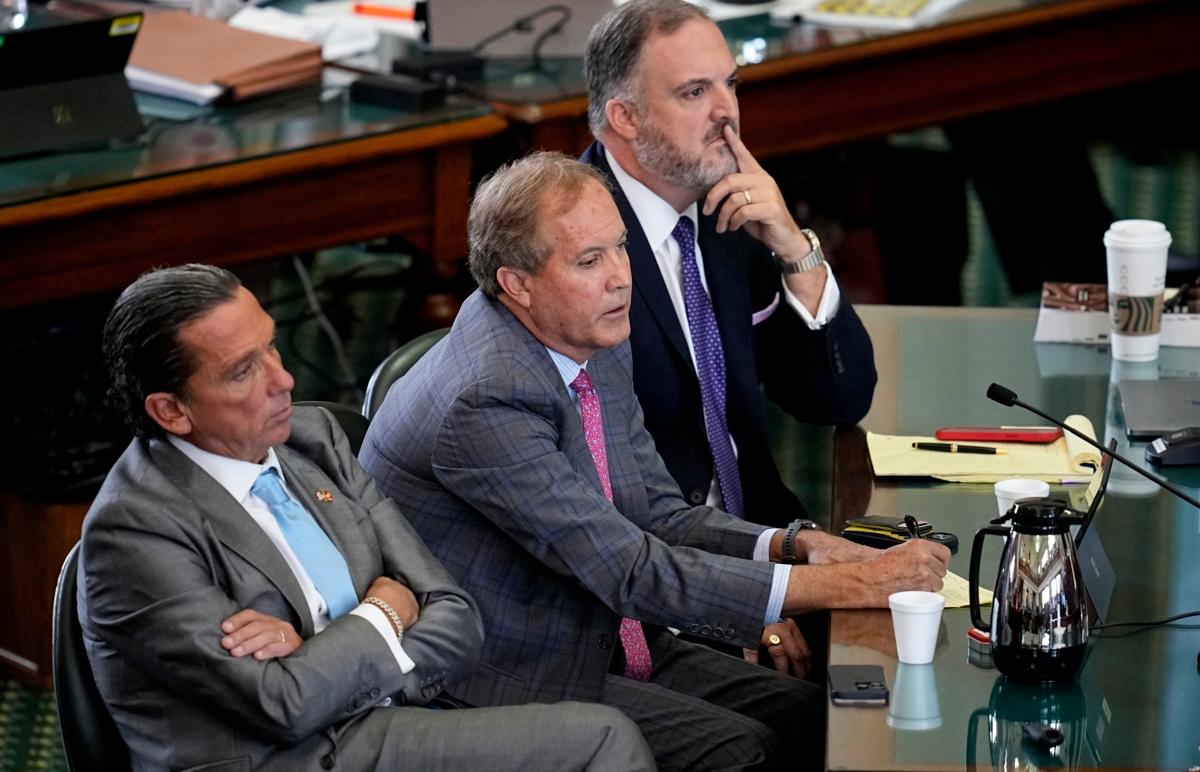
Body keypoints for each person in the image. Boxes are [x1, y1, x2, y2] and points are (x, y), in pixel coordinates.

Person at [359, 153, 949, 771]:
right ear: (517, 283)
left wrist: (797, 547)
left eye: (620, 247)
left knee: (810, 716)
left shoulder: (589, 333)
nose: (621, 277)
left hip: (597, 631)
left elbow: (659, 512)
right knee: (743, 751)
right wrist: (851, 585)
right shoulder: (485, 399)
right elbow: (634, 572)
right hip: (498, 673)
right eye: (590, 261)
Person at [79, 264, 655, 772]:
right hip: (292, 758)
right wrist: (385, 611)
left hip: (385, 720)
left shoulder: (312, 440)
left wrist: (314, 652)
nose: (283, 380)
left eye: (273, 348)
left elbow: (455, 616)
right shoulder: (134, 529)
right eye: (242, 371)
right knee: (602, 740)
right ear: (171, 411)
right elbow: (282, 706)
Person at [580, 0, 877, 526]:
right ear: (624, 116)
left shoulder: (735, 215)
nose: (726, 112)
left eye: (731, 85)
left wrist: (794, 248)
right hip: (649, 562)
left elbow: (838, 401)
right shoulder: (569, 239)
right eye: (695, 92)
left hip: (763, 537)